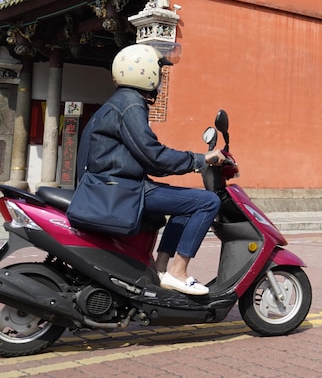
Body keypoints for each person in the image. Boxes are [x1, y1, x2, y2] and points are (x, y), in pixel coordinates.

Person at [81, 43, 224, 295]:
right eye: (158, 72)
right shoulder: (130, 104)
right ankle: (178, 272)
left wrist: (190, 161)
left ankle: (160, 268)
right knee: (208, 201)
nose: (159, 79)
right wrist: (201, 160)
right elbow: (154, 156)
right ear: (144, 72)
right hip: (124, 188)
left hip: (116, 185)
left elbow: (149, 158)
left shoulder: (120, 102)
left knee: (185, 204)